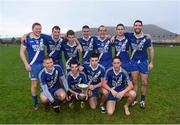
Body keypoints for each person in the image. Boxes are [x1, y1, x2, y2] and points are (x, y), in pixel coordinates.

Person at [128, 20, 154, 108]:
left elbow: (151, 49)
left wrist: (151, 62)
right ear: (133, 26)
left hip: (143, 62)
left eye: (139, 25)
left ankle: (142, 100)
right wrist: (111, 36)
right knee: (134, 81)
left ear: (141, 27)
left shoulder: (146, 38)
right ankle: (134, 99)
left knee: (144, 82)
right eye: (136, 25)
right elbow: (119, 33)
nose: (137, 27)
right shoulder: (130, 35)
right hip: (133, 62)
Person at [20, 22, 45, 110]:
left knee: (44, 84)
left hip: (43, 65)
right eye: (36, 29)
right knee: (34, 85)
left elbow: (56, 35)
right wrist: (26, 64)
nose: (38, 30)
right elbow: (21, 52)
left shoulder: (43, 37)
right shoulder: (27, 39)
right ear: (32, 29)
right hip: (33, 66)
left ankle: (46, 101)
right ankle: (35, 103)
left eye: (39, 29)